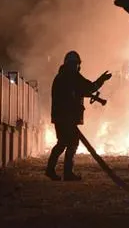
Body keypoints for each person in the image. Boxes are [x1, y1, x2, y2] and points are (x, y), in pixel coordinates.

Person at [45, 51, 112, 181]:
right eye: (76, 64)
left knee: (62, 143)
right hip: (67, 117)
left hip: (60, 117)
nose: (76, 67)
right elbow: (89, 87)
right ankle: (68, 173)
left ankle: (50, 170)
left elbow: (77, 91)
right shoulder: (72, 76)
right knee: (72, 143)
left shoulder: (61, 77)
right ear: (75, 65)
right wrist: (102, 80)